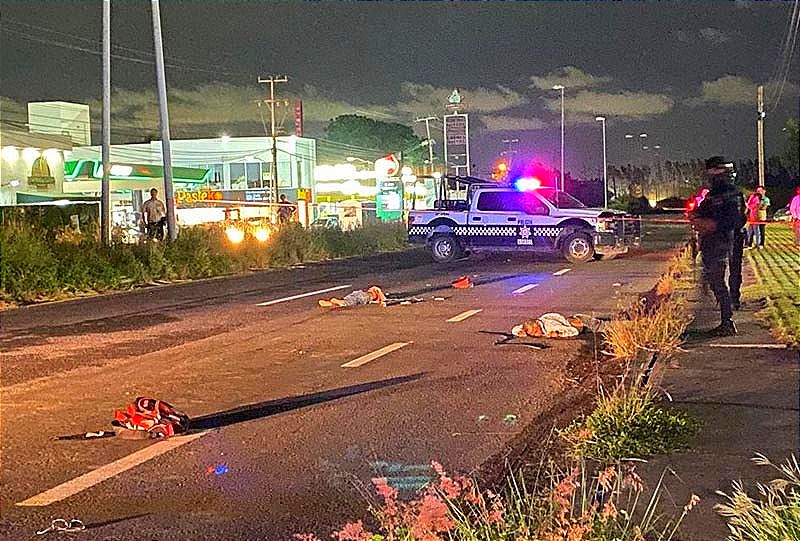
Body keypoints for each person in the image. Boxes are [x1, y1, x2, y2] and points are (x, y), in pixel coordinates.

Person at [689, 157, 742, 336]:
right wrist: (696, 216)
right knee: (713, 280)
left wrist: (713, 224)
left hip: (720, 241)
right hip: (711, 242)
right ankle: (726, 320)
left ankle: (727, 322)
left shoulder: (729, 193)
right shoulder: (714, 193)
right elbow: (702, 210)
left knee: (718, 281)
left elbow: (736, 219)